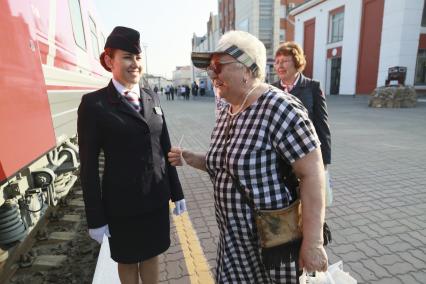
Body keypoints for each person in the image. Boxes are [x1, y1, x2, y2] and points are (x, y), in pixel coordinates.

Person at [169, 31, 328, 283]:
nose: (212, 75)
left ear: (247, 69)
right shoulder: (226, 108)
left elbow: (312, 174)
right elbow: (223, 165)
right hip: (233, 244)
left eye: (218, 66)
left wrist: (313, 242)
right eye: (210, 68)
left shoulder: (280, 107)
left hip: (271, 245)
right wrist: (190, 157)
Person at [77, 26, 186, 284]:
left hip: (156, 199)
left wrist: (177, 191)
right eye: (127, 56)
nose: (135, 63)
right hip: (121, 205)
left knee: (151, 256)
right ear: (108, 60)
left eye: (138, 57)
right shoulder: (94, 105)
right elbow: (89, 168)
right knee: (127, 261)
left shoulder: (152, 96)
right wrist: (95, 217)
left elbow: (165, 147)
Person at [272, 42, 331, 169]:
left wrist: (324, 160)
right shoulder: (271, 89)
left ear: (297, 62)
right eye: (277, 62)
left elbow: (322, 125)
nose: (279, 65)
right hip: (279, 156)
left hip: (306, 152)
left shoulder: (313, 87)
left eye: (284, 61)